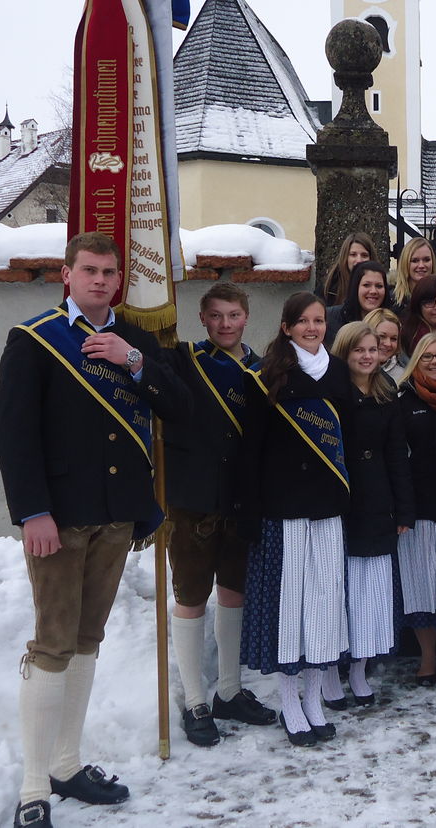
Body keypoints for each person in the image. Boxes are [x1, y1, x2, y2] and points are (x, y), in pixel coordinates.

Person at [0, 233, 189, 828]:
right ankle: (34, 787)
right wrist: (32, 512)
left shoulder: (135, 340)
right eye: (89, 270)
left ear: (119, 279)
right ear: (67, 274)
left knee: (86, 640)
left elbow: (179, 408)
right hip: (59, 517)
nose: (100, 280)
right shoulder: (33, 340)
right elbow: (14, 434)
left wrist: (134, 362)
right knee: (53, 644)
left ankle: (66, 764)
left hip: (116, 514)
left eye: (109, 272)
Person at [237, 292, 354, 745]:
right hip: (283, 510)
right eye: (303, 321)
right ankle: (289, 700)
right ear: (286, 327)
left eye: (319, 320)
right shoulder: (266, 375)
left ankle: (314, 699)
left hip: (327, 508)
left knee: (324, 605)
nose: (312, 328)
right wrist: (250, 511)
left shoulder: (338, 373)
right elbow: (250, 452)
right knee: (292, 609)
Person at [165, 282, 277, 748]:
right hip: (192, 499)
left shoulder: (263, 369)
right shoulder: (185, 360)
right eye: (215, 315)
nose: (225, 324)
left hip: (241, 498)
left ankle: (228, 690)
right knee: (191, 596)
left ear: (246, 317)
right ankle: (195, 699)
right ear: (202, 318)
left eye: (233, 315)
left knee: (234, 593)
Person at [329, 322, 415, 706]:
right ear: (344, 352)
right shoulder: (333, 391)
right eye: (358, 350)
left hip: (379, 498)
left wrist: (404, 507)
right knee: (340, 590)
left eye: (372, 349)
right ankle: (330, 671)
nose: (367, 356)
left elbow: (397, 453)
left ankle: (360, 667)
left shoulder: (386, 390)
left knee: (370, 592)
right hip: (344, 497)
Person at [396, 332, 436, 685]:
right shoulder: (403, 399)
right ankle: (426, 657)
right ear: (416, 361)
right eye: (428, 356)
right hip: (418, 504)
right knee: (420, 584)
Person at [325, 260, 390, 343]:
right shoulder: (330, 318)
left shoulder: (392, 321)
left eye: (379, 286)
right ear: (355, 287)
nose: (373, 291)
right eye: (366, 285)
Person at [322, 232, 378, 306]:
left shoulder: (381, 288)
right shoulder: (329, 289)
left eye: (364, 255)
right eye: (353, 255)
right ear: (345, 258)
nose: (359, 260)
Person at [393, 237, 436, 314]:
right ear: (405, 263)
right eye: (415, 261)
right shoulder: (391, 299)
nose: (421, 265)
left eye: (426, 260)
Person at [363, 307, 406, 384]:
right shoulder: (347, 370)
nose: (388, 344)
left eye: (393, 339)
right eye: (382, 336)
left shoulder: (402, 377)